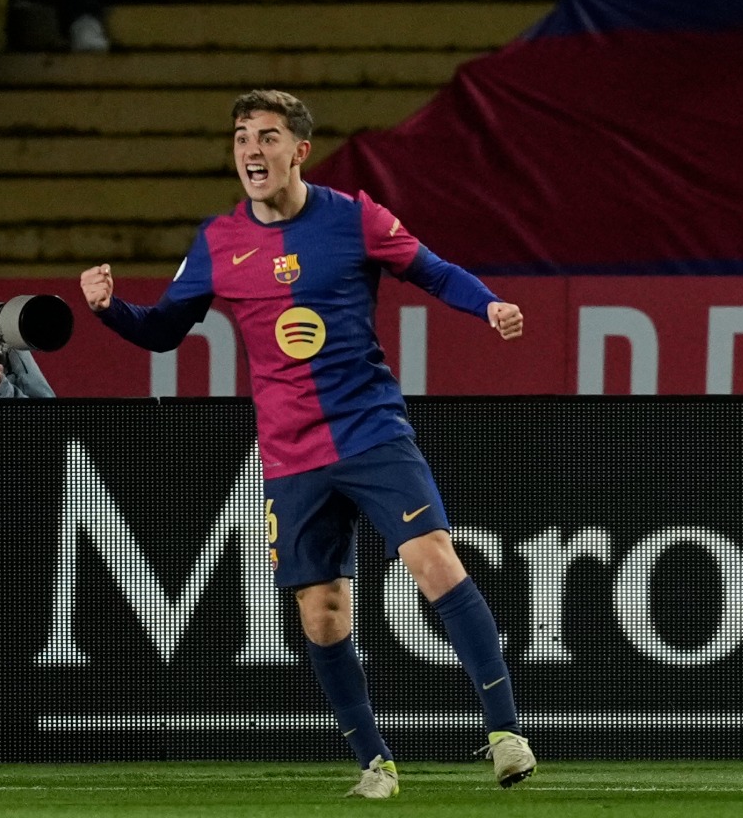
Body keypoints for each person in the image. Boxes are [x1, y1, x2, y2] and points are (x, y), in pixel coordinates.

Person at [81, 89, 535, 798]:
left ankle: (506, 733)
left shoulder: (355, 218)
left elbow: (434, 269)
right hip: (291, 455)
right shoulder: (218, 242)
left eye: (265, 137)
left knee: (433, 561)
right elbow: (165, 331)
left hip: (371, 430)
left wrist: (490, 305)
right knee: (321, 610)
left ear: (298, 150)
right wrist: (109, 310)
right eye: (240, 139)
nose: (250, 152)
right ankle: (374, 762)